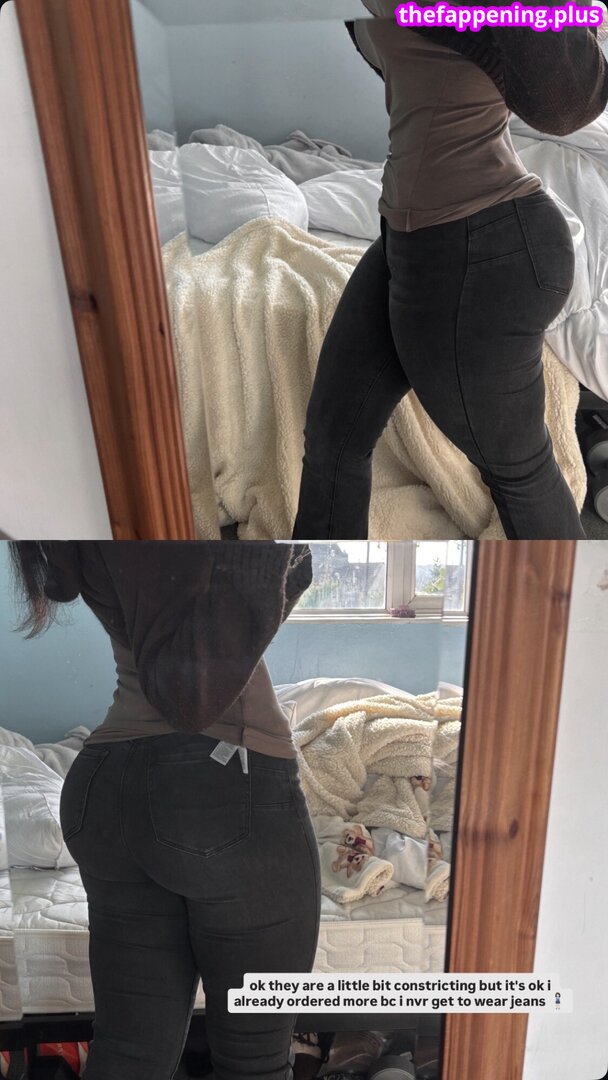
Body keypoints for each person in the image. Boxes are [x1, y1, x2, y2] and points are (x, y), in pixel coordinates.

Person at [292, 4, 608, 541]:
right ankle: (312, 580)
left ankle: (568, 594)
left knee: (518, 475)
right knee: (331, 441)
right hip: (406, 238)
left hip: (488, 246)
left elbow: (567, 101)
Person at [9, 541, 320, 1080]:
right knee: (254, 1063)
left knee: (130, 1053)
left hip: (107, 787)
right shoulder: (158, 520)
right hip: (219, 785)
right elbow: (191, 698)